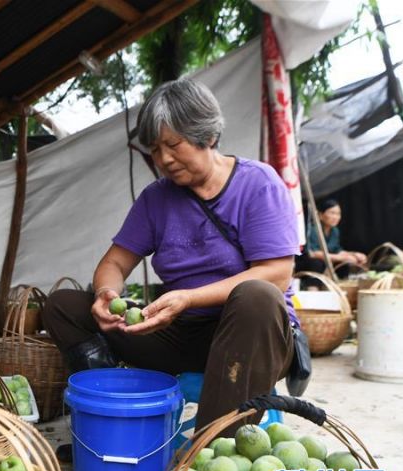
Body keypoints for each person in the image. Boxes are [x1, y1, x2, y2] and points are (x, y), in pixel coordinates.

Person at [43, 79, 300, 449]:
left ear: (207, 136)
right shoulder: (156, 199)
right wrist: (105, 294)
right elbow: (114, 262)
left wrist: (189, 298)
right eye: (155, 149)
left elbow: (276, 273)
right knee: (63, 307)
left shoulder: (257, 184)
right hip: (178, 331)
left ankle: (212, 451)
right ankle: (112, 420)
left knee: (257, 296)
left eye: (173, 145)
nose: (163, 159)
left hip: (251, 336)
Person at [296, 198, 366, 278]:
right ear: (320, 215)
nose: (336, 217)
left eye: (338, 214)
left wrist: (354, 255)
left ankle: (341, 285)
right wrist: (342, 258)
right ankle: (312, 287)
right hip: (306, 263)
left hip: (326, 260)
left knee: (343, 264)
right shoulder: (312, 229)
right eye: (332, 213)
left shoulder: (335, 231)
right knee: (317, 263)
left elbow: (337, 250)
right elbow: (313, 253)